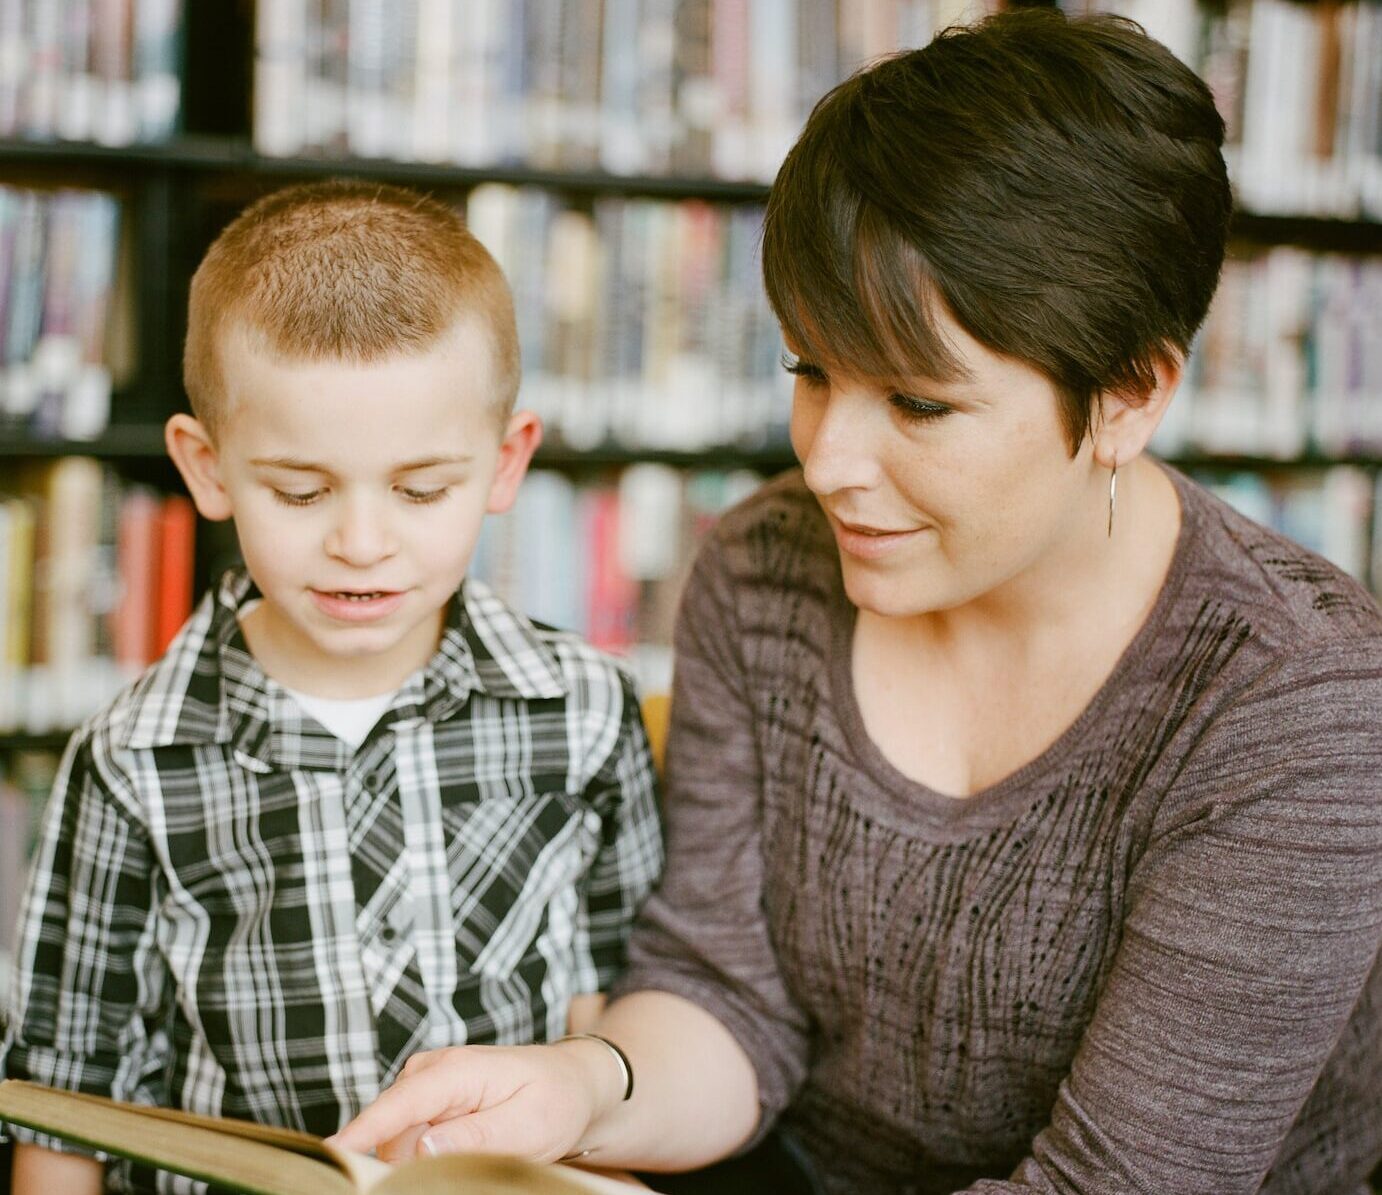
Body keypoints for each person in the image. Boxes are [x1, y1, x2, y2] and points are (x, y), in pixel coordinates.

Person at [330, 10, 1382, 1195]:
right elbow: (726, 997)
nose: (826, 459)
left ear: (1128, 396)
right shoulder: (763, 568)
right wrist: (579, 1087)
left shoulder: (1298, 699)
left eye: (918, 405)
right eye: (810, 371)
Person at [0, 180, 664, 1195]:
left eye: (420, 489)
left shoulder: (583, 709)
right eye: (300, 491)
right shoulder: (131, 761)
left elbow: (616, 999)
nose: (361, 542)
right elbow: (65, 1090)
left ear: (505, 463)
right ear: (207, 467)